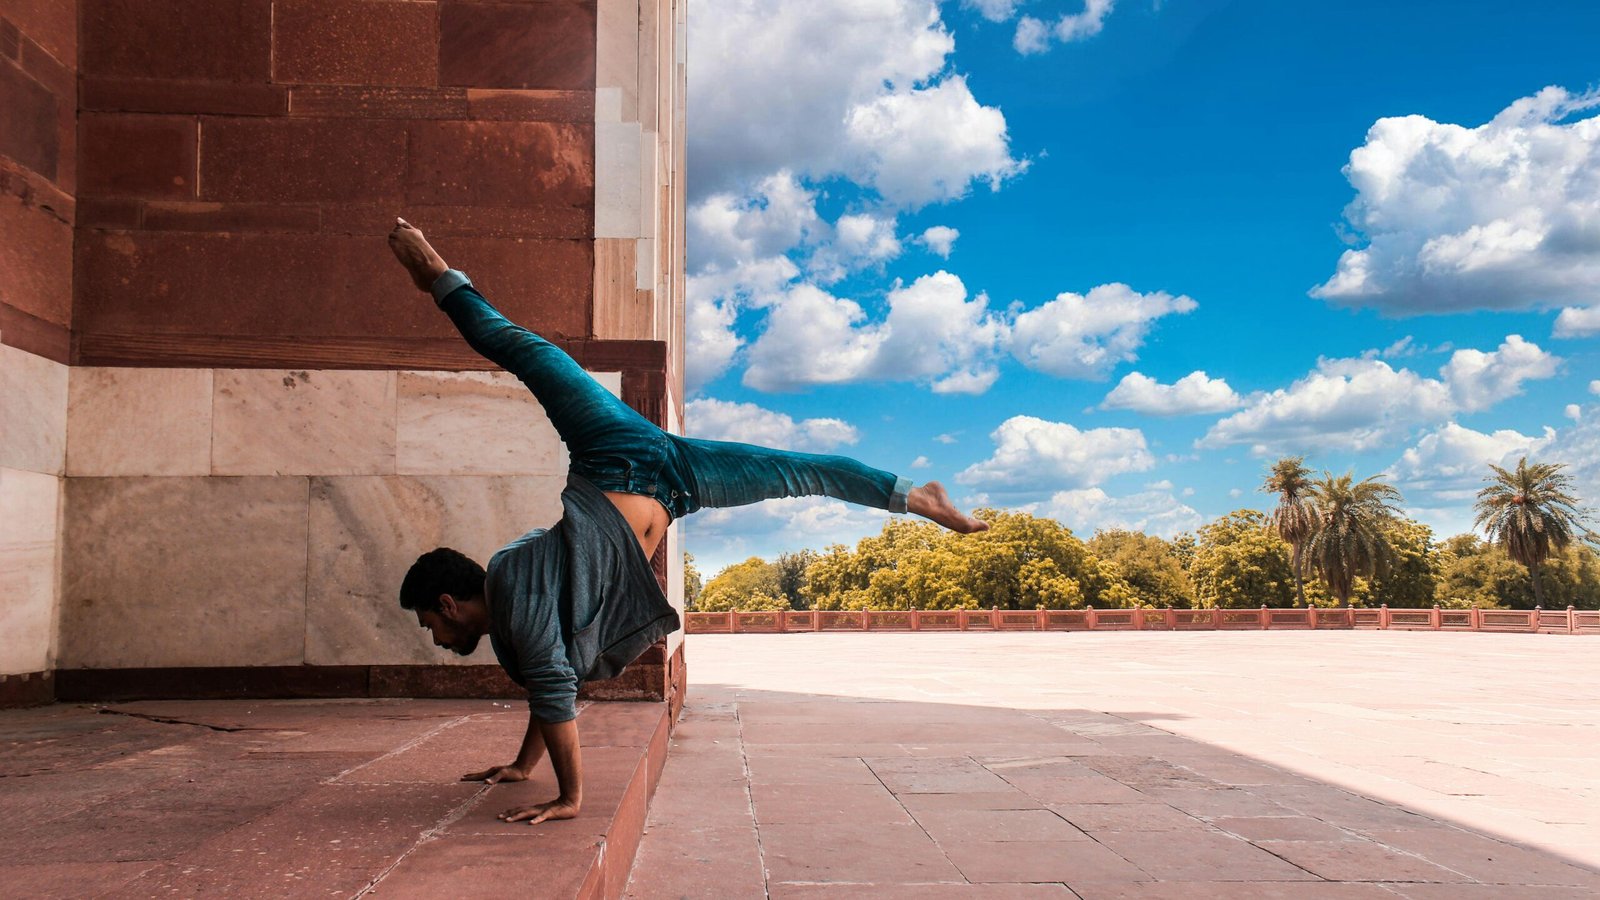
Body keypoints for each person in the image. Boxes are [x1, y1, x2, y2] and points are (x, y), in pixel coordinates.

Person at [386, 218, 989, 825]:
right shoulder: (516, 597)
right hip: (673, 481)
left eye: (430, 623)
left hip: (612, 454)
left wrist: (570, 798)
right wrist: (523, 766)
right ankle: (910, 495)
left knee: (528, 352)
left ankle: (439, 277)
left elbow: (553, 691)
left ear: (449, 601)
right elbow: (551, 689)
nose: (435, 637)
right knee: (797, 471)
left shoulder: (513, 598)